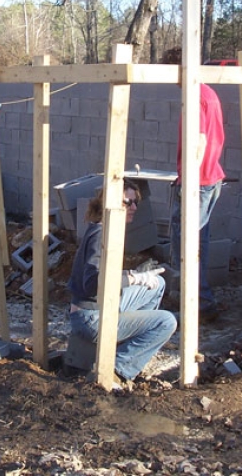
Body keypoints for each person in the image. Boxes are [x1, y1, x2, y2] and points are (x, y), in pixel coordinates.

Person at [68, 179, 177, 383]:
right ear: (109, 204)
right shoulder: (101, 235)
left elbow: (103, 274)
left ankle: (126, 343)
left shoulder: (104, 229)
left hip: (98, 307)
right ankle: (117, 369)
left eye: (135, 202)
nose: (134, 207)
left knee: (156, 285)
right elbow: (92, 284)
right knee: (166, 321)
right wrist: (133, 278)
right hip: (90, 318)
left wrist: (134, 275)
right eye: (128, 202)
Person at [170, 82, 226, 321]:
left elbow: (200, 140)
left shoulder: (194, 95)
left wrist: (189, 181)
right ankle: (197, 301)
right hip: (210, 178)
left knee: (187, 245)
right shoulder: (208, 92)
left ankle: (199, 305)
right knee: (197, 242)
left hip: (199, 182)